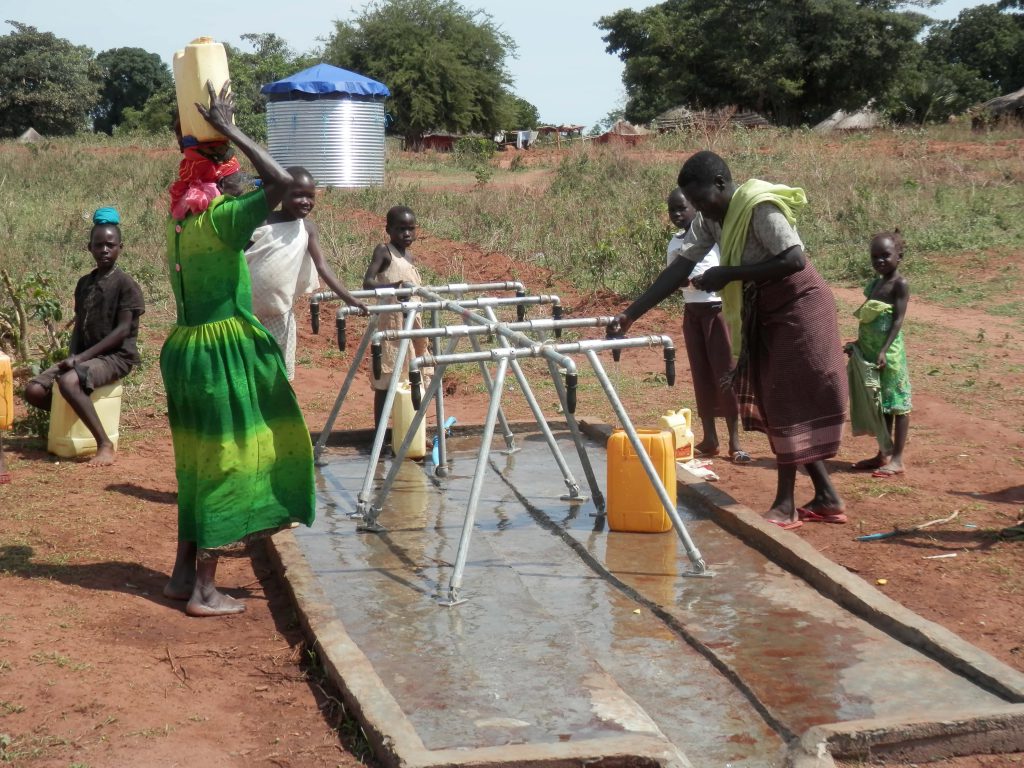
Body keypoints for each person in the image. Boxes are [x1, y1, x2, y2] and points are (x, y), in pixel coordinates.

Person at [610, 151, 847, 529]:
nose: (702, 209)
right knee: (774, 399)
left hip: (799, 305)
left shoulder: (759, 208)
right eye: (696, 203)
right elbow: (681, 268)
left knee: (781, 397)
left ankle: (785, 505)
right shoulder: (710, 219)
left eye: (703, 200)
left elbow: (794, 260)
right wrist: (630, 314)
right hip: (766, 307)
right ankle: (826, 496)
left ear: (721, 184)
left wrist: (729, 273)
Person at [161, 82, 315, 617]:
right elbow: (283, 180)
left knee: (196, 463)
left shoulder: (180, 223)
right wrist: (232, 128)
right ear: (221, 179)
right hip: (221, 349)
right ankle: (205, 589)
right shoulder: (223, 222)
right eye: (228, 175)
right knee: (230, 461)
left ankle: (182, 577)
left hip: (184, 348)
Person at [24, 208, 145, 467]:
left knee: (68, 382)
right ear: (88, 247)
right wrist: (71, 356)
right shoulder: (84, 283)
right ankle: (75, 420)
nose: (104, 250)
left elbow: (123, 332)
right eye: (98, 245)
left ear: (120, 247)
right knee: (34, 390)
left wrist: (79, 359)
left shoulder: (126, 284)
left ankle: (104, 443)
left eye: (110, 245)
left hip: (116, 357)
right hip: (87, 356)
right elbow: (80, 325)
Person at [245, 167, 368, 381]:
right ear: (281, 193)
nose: (305, 201)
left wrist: (350, 299)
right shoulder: (261, 221)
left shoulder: (307, 228)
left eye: (310, 196)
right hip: (246, 309)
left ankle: (278, 409)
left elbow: (322, 266)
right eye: (297, 195)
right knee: (248, 362)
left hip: (279, 311)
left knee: (278, 370)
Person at [666, 187, 748, 463]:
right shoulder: (675, 243)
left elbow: (724, 268)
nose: (677, 214)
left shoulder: (713, 239)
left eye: (682, 208)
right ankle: (710, 437)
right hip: (692, 313)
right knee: (701, 374)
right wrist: (681, 282)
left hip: (716, 311)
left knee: (725, 373)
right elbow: (672, 277)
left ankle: (735, 442)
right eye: (672, 210)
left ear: (696, 208)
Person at [849, 230, 911, 477]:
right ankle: (883, 453)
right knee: (881, 404)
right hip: (872, 352)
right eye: (875, 257)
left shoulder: (900, 284)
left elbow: (898, 320)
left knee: (897, 404)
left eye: (885, 255)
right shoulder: (875, 284)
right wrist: (857, 344)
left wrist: (884, 350)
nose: (880, 261)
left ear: (899, 256)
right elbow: (868, 317)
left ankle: (897, 458)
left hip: (890, 353)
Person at [362, 206, 431, 428]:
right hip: (391, 325)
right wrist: (394, 287)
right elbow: (368, 282)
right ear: (389, 230)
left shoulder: (409, 256)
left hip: (412, 324)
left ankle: (413, 432)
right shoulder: (384, 251)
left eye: (411, 229)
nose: (407, 234)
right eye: (401, 229)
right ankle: (379, 434)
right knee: (387, 380)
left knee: (414, 378)